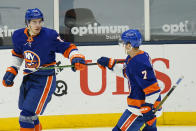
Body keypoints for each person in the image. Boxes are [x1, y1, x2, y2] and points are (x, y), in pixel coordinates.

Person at [2, 8, 86, 131]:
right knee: (28, 112)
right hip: (29, 77)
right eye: (34, 22)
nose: (38, 25)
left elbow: (68, 48)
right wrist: (12, 71)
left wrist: (76, 57)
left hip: (45, 79)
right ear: (27, 23)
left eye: (40, 21)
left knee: (26, 115)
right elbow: (19, 54)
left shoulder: (49, 36)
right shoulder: (18, 35)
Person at [97, 29, 162, 131]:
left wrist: (148, 107)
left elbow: (153, 89)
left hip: (141, 108)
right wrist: (111, 65)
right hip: (144, 108)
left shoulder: (139, 62)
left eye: (124, 42)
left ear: (129, 45)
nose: (122, 45)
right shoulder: (135, 57)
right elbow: (127, 73)